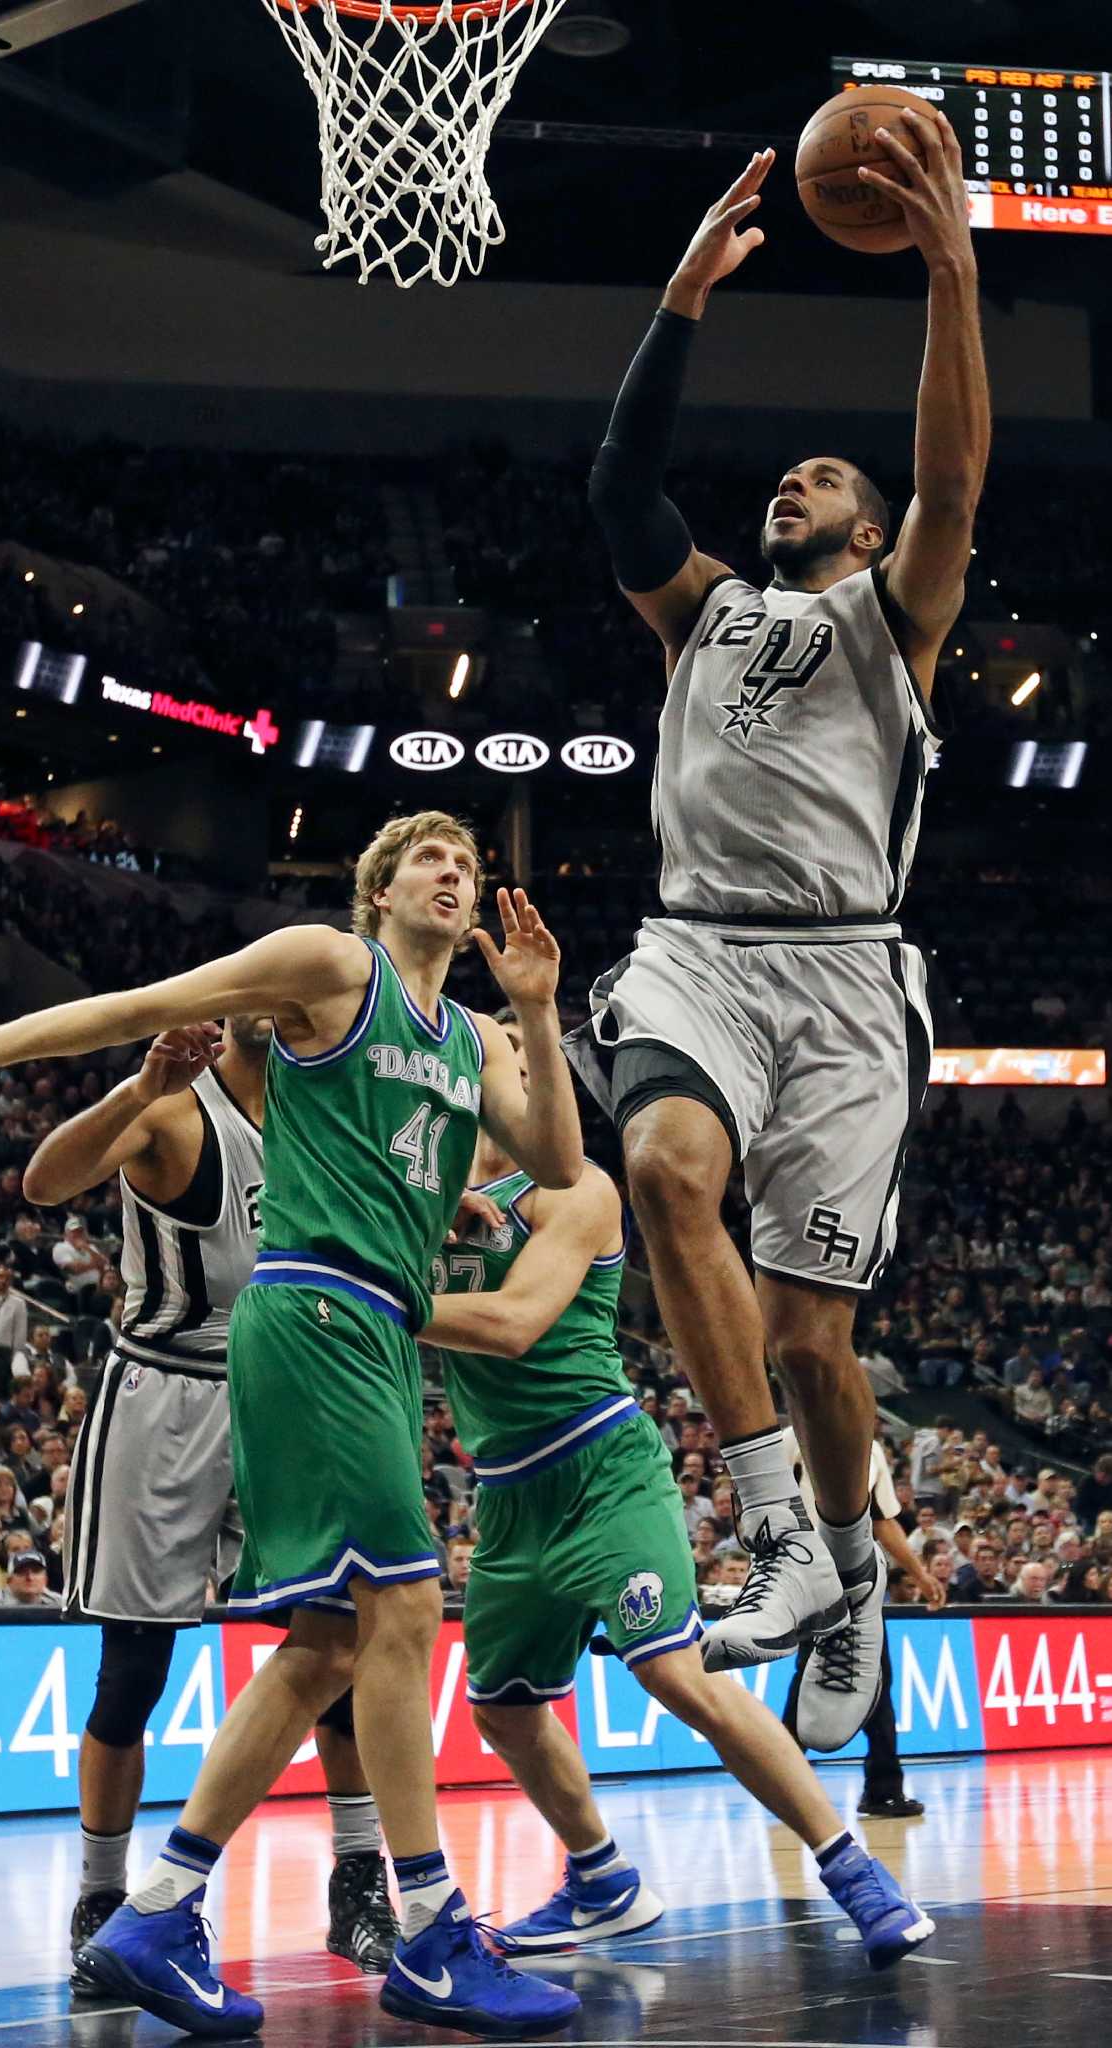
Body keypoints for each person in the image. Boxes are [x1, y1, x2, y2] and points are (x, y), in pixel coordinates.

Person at [0, 809, 585, 2041]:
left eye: (469, 863)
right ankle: (426, 1930)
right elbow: (135, 1002)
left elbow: (561, 1160)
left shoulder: (468, 1033)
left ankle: (158, 1910)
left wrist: (533, 1012)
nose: (456, 873)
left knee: (328, 1640)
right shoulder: (329, 966)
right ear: (378, 891)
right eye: (429, 857)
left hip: (372, 1327)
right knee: (399, 1610)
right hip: (307, 1311)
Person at [568, 120, 989, 1751]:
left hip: (843, 975)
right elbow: (616, 486)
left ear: (869, 535)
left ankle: (847, 1573)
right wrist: (682, 292)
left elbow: (948, 475)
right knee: (663, 1170)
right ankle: (769, 1541)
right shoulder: (701, 614)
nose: (788, 481)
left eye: (822, 478)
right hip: (691, 946)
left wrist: (946, 265)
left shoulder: (890, 617)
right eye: (785, 474)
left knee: (815, 1337)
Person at [417, 1013, 934, 1970]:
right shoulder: (428, 1188)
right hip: (509, 1493)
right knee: (503, 1709)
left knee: (673, 1671)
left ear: (521, 1070)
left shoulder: (574, 1186)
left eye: (482, 1039)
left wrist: (384, 1295)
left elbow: (516, 1322)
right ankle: (602, 1880)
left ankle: (856, 1872)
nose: (454, 1048)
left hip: (602, 1465)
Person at [21, 1015, 400, 1987]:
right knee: (133, 1671)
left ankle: (357, 1882)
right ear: (232, 1007)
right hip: (165, 1389)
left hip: (283, 1383)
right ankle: (103, 1894)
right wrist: (136, 1086)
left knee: (336, 1647)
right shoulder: (176, 1111)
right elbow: (42, 1181)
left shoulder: (323, 1114)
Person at [781, 1427, 941, 1818]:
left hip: (860, 1581)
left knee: (864, 1678)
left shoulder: (870, 1450)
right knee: (820, 1675)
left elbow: (882, 1520)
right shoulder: (790, 1441)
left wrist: (920, 1574)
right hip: (812, 1575)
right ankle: (790, 1777)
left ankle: (871, 1787)